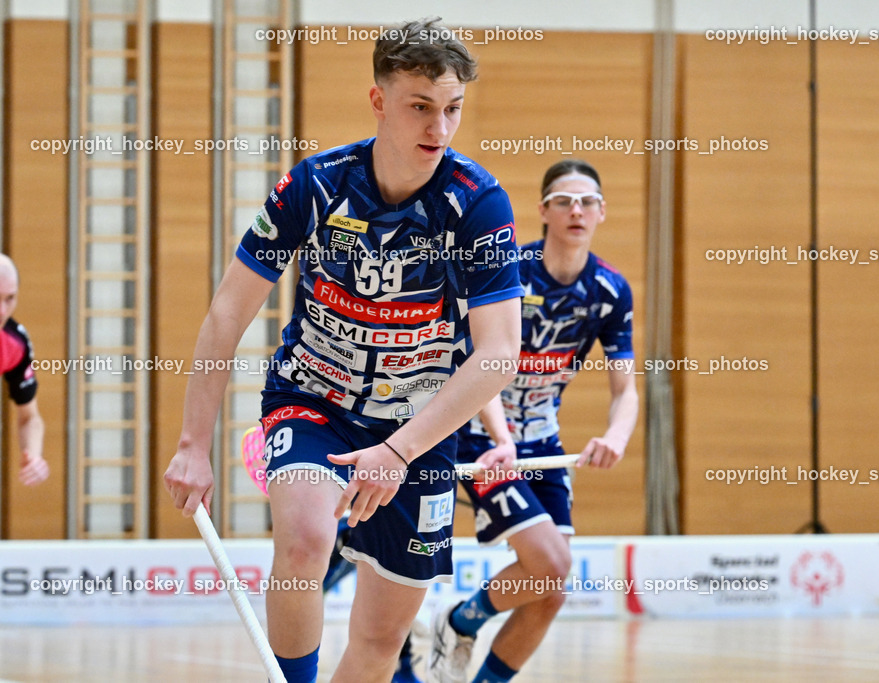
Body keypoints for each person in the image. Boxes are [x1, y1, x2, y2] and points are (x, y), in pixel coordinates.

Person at [163, 18, 522, 683]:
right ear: (379, 100)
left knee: (381, 639)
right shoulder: (314, 186)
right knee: (304, 538)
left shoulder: (477, 202)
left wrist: (398, 451)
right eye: (420, 107)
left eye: (452, 110)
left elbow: (499, 354)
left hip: (418, 429)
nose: (439, 129)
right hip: (313, 402)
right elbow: (226, 314)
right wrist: (193, 440)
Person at [427, 160, 639, 683]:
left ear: (601, 213)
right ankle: (457, 621)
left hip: (542, 440)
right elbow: (479, 361)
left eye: (587, 202)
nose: (576, 210)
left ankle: (465, 636)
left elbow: (625, 390)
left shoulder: (610, 291)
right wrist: (501, 439)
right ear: (543, 210)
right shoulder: (510, 270)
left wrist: (615, 436)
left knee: (551, 591)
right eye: (564, 200)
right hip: (481, 434)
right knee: (551, 564)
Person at [0, 254, 47, 487]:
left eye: (10, 299)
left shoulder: (14, 343)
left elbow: (29, 417)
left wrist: (34, 455)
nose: (2, 311)